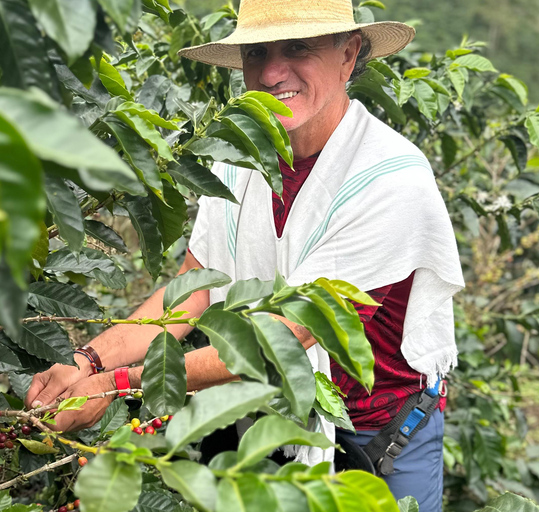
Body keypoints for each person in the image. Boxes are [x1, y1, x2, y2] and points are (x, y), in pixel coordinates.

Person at [25, 0, 464, 510]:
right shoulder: (242, 158)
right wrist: (85, 362)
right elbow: (194, 289)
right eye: (257, 53)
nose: (272, 73)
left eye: (297, 48)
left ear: (349, 54)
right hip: (266, 415)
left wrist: (115, 385)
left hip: (378, 429)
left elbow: (286, 336)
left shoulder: (391, 180)